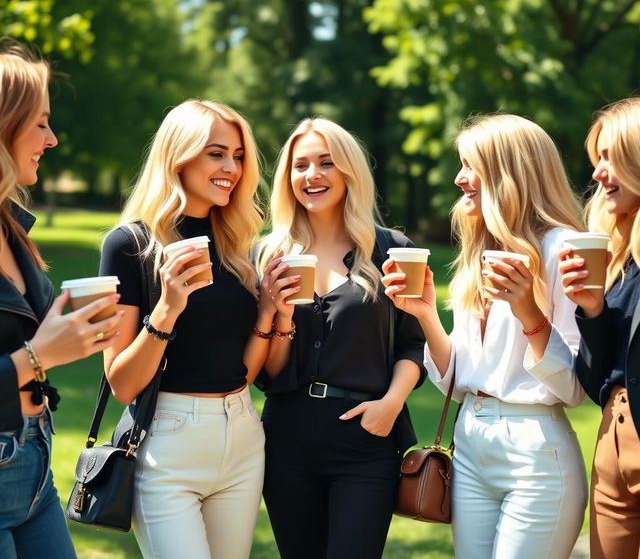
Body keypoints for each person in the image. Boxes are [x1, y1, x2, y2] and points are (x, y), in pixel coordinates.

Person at [383, 114, 588, 559]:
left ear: (511, 172)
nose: (459, 179)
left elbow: (574, 387)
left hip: (535, 451)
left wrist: (526, 309)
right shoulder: (481, 252)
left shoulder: (563, 250)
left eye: (470, 165)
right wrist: (424, 314)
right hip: (471, 440)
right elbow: (459, 381)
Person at [99, 100, 273, 559]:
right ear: (180, 155)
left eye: (237, 156)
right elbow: (121, 383)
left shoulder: (238, 246)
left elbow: (244, 374)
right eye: (216, 153)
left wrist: (270, 313)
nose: (231, 168)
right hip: (167, 443)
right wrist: (168, 308)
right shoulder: (129, 245)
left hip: (241, 435)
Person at [255, 117, 426, 559]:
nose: (311, 175)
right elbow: (269, 374)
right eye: (300, 165)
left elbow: (413, 343)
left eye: (326, 163)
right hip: (286, 440)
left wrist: (390, 405)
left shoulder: (390, 249)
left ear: (349, 171)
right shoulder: (268, 255)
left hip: (367, 442)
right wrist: (278, 312)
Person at [0, 40, 123, 558]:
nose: (52, 139)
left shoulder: (12, 228)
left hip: (32, 462)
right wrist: (40, 355)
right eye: (40, 123)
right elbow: (31, 353)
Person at [559, 98, 640, 559]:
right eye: (596, 159)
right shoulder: (616, 259)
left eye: (610, 156)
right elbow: (593, 383)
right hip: (612, 443)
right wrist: (591, 310)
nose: (597, 174)